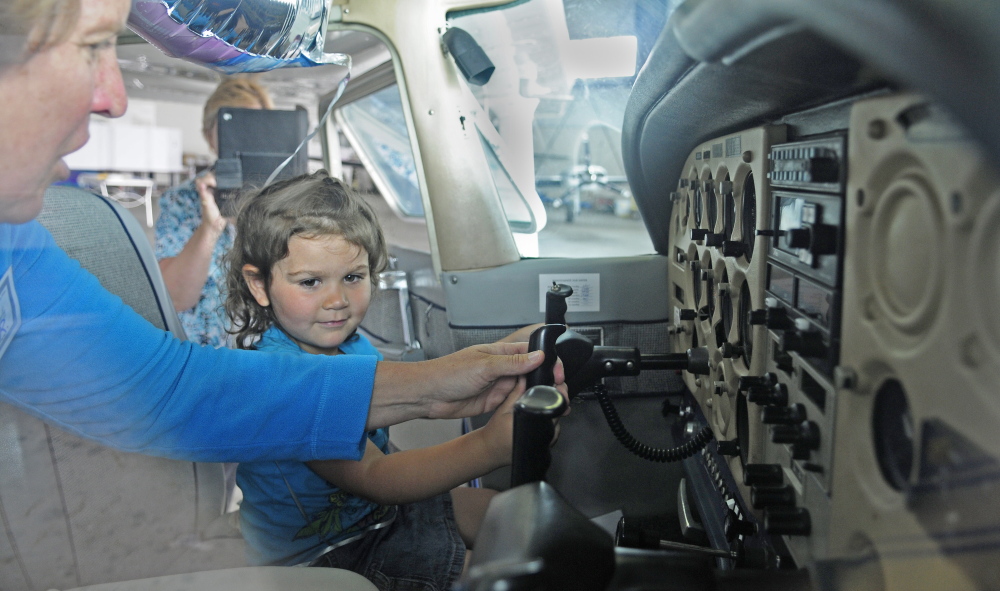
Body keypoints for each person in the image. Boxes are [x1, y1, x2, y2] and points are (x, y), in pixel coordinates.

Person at [0, 0, 563, 467]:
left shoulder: (15, 244)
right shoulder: (164, 210)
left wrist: (434, 382)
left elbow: (167, 391)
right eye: (91, 45)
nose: (114, 99)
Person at [224, 171, 544, 588]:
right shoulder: (283, 381)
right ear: (258, 284)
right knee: (487, 579)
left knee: (508, 514)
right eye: (310, 282)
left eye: (352, 277)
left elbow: (395, 422)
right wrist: (491, 446)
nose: (337, 300)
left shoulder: (352, 345)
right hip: (330, 553)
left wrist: (515, 354)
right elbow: (377, 478)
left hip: (376, 516)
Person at [156, 77, 273, 348]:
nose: (244, 137)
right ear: (210, 136)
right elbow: (176, 298)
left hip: (270, 352)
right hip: (205, 353)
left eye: (254, 126)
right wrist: (211, 225)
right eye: (232, 125)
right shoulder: (182, 201)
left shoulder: (284, 201)